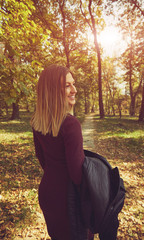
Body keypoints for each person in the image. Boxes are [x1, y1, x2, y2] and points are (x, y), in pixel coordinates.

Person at [31, 64, 87, 240]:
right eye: (67, 85)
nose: (74, 90)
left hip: (48, 193)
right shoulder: (71, 125)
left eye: (73, 84)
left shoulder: (37, 123)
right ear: (54, 90)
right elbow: (78, 175)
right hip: (69, 200)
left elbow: (43, 160)